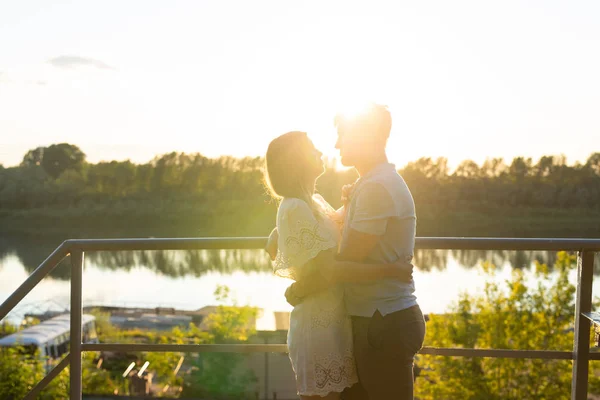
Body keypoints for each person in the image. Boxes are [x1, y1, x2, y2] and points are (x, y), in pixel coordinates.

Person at [276, 104, 426, 400]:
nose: (336, 144)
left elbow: (340, 266)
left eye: (343, 134)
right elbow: (324, 231)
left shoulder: (375, 189)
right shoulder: (369, 184)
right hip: (375, 320)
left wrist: (301, 288)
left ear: (365, 136)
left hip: (382, 321)